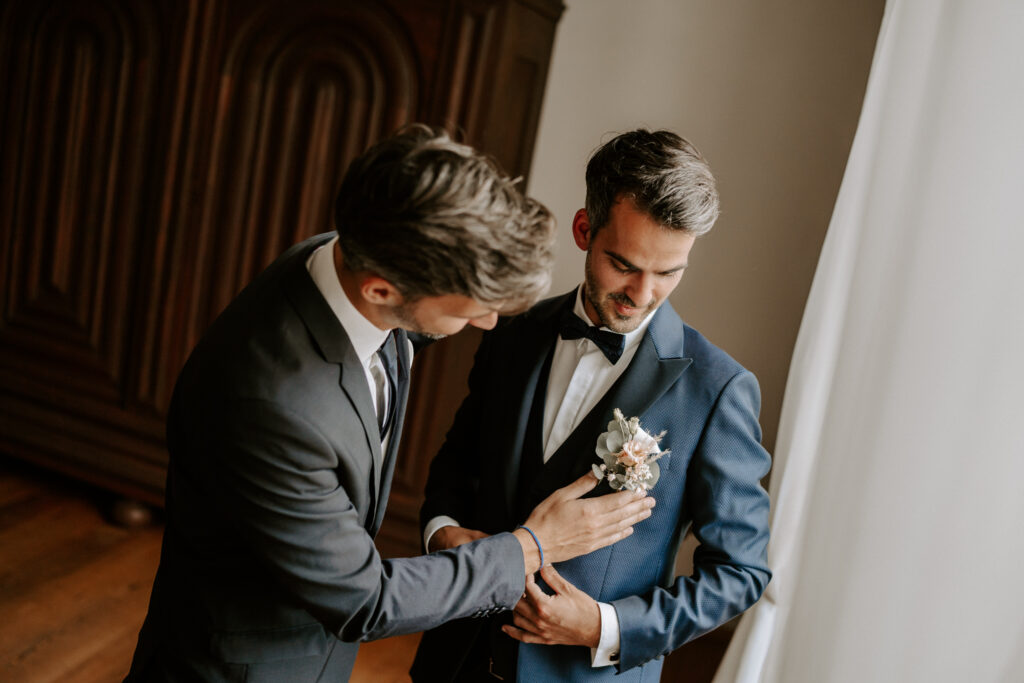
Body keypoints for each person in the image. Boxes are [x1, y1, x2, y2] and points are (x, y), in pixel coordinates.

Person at [125, 125, 656, 682]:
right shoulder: (272, 407)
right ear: (382, 291)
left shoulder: (349, 256)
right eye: (470, 309)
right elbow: (366, 600)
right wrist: (531, 545)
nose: (488, 323)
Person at [410, 129, 772, 681]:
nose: (643, 292)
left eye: (669, 272)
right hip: (455, 659)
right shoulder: (511, 333)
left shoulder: (717, 390)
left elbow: (740, 571)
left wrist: (606, 627)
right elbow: (457, 466)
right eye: (624, 264)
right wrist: (442, 531)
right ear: (585, 230)